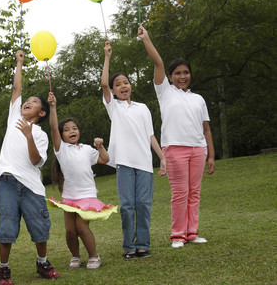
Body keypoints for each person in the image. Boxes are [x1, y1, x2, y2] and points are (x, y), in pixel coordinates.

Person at [138, 25, 215, 248]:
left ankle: (192, 233)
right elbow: (158, 63)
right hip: (175, 149)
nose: (182, 76)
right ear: (170, 77)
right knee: (180, 193)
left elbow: (206, 129)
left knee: (195, 193)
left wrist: (210, 155)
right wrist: (147, 39)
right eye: (178, 73)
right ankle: (178, 235)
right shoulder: (165, 92)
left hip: (198, 150)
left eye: (186, 72)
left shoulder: (198, 99)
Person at [0, 50, 59, 285]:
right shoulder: (13, 117)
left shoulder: (40, 134)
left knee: (39, 227)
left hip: (31, 186)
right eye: (27, 101)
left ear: (41, 113)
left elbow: (35, 160)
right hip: (7, 182)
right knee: (6, 227)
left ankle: (43, 262)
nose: (27, 103)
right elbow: (16, 90)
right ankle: (3, 269)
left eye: (33, 103)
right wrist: (19, 63)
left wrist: (29, 136)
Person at [101, 40, 167, 259]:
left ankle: (143, 245)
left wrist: (162, 158)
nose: (123, 86)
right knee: (128, 206)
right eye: (118, 84)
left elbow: (150, 136)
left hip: (145, 165)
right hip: (125, 164)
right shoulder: (114, 108)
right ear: (113, 90)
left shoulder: (143, 108)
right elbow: (103, 84)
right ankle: (129, 246)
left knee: (143, 205)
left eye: (126, 82)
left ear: (131, 86)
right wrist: (107, 56)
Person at [47, 91, 113, 270]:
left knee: (81, 227)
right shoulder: (61, 150)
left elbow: (105, 159)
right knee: (70, 232)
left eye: (74, 128)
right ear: (61, 135)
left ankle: (94, 256)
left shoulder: (86, 149)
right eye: (66, 130)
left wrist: (100, 147)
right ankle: (75, 256)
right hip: (70, 197)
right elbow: (53, 128)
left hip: (88, 195)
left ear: (79, 131)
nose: (71, 131)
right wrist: (53, 107)